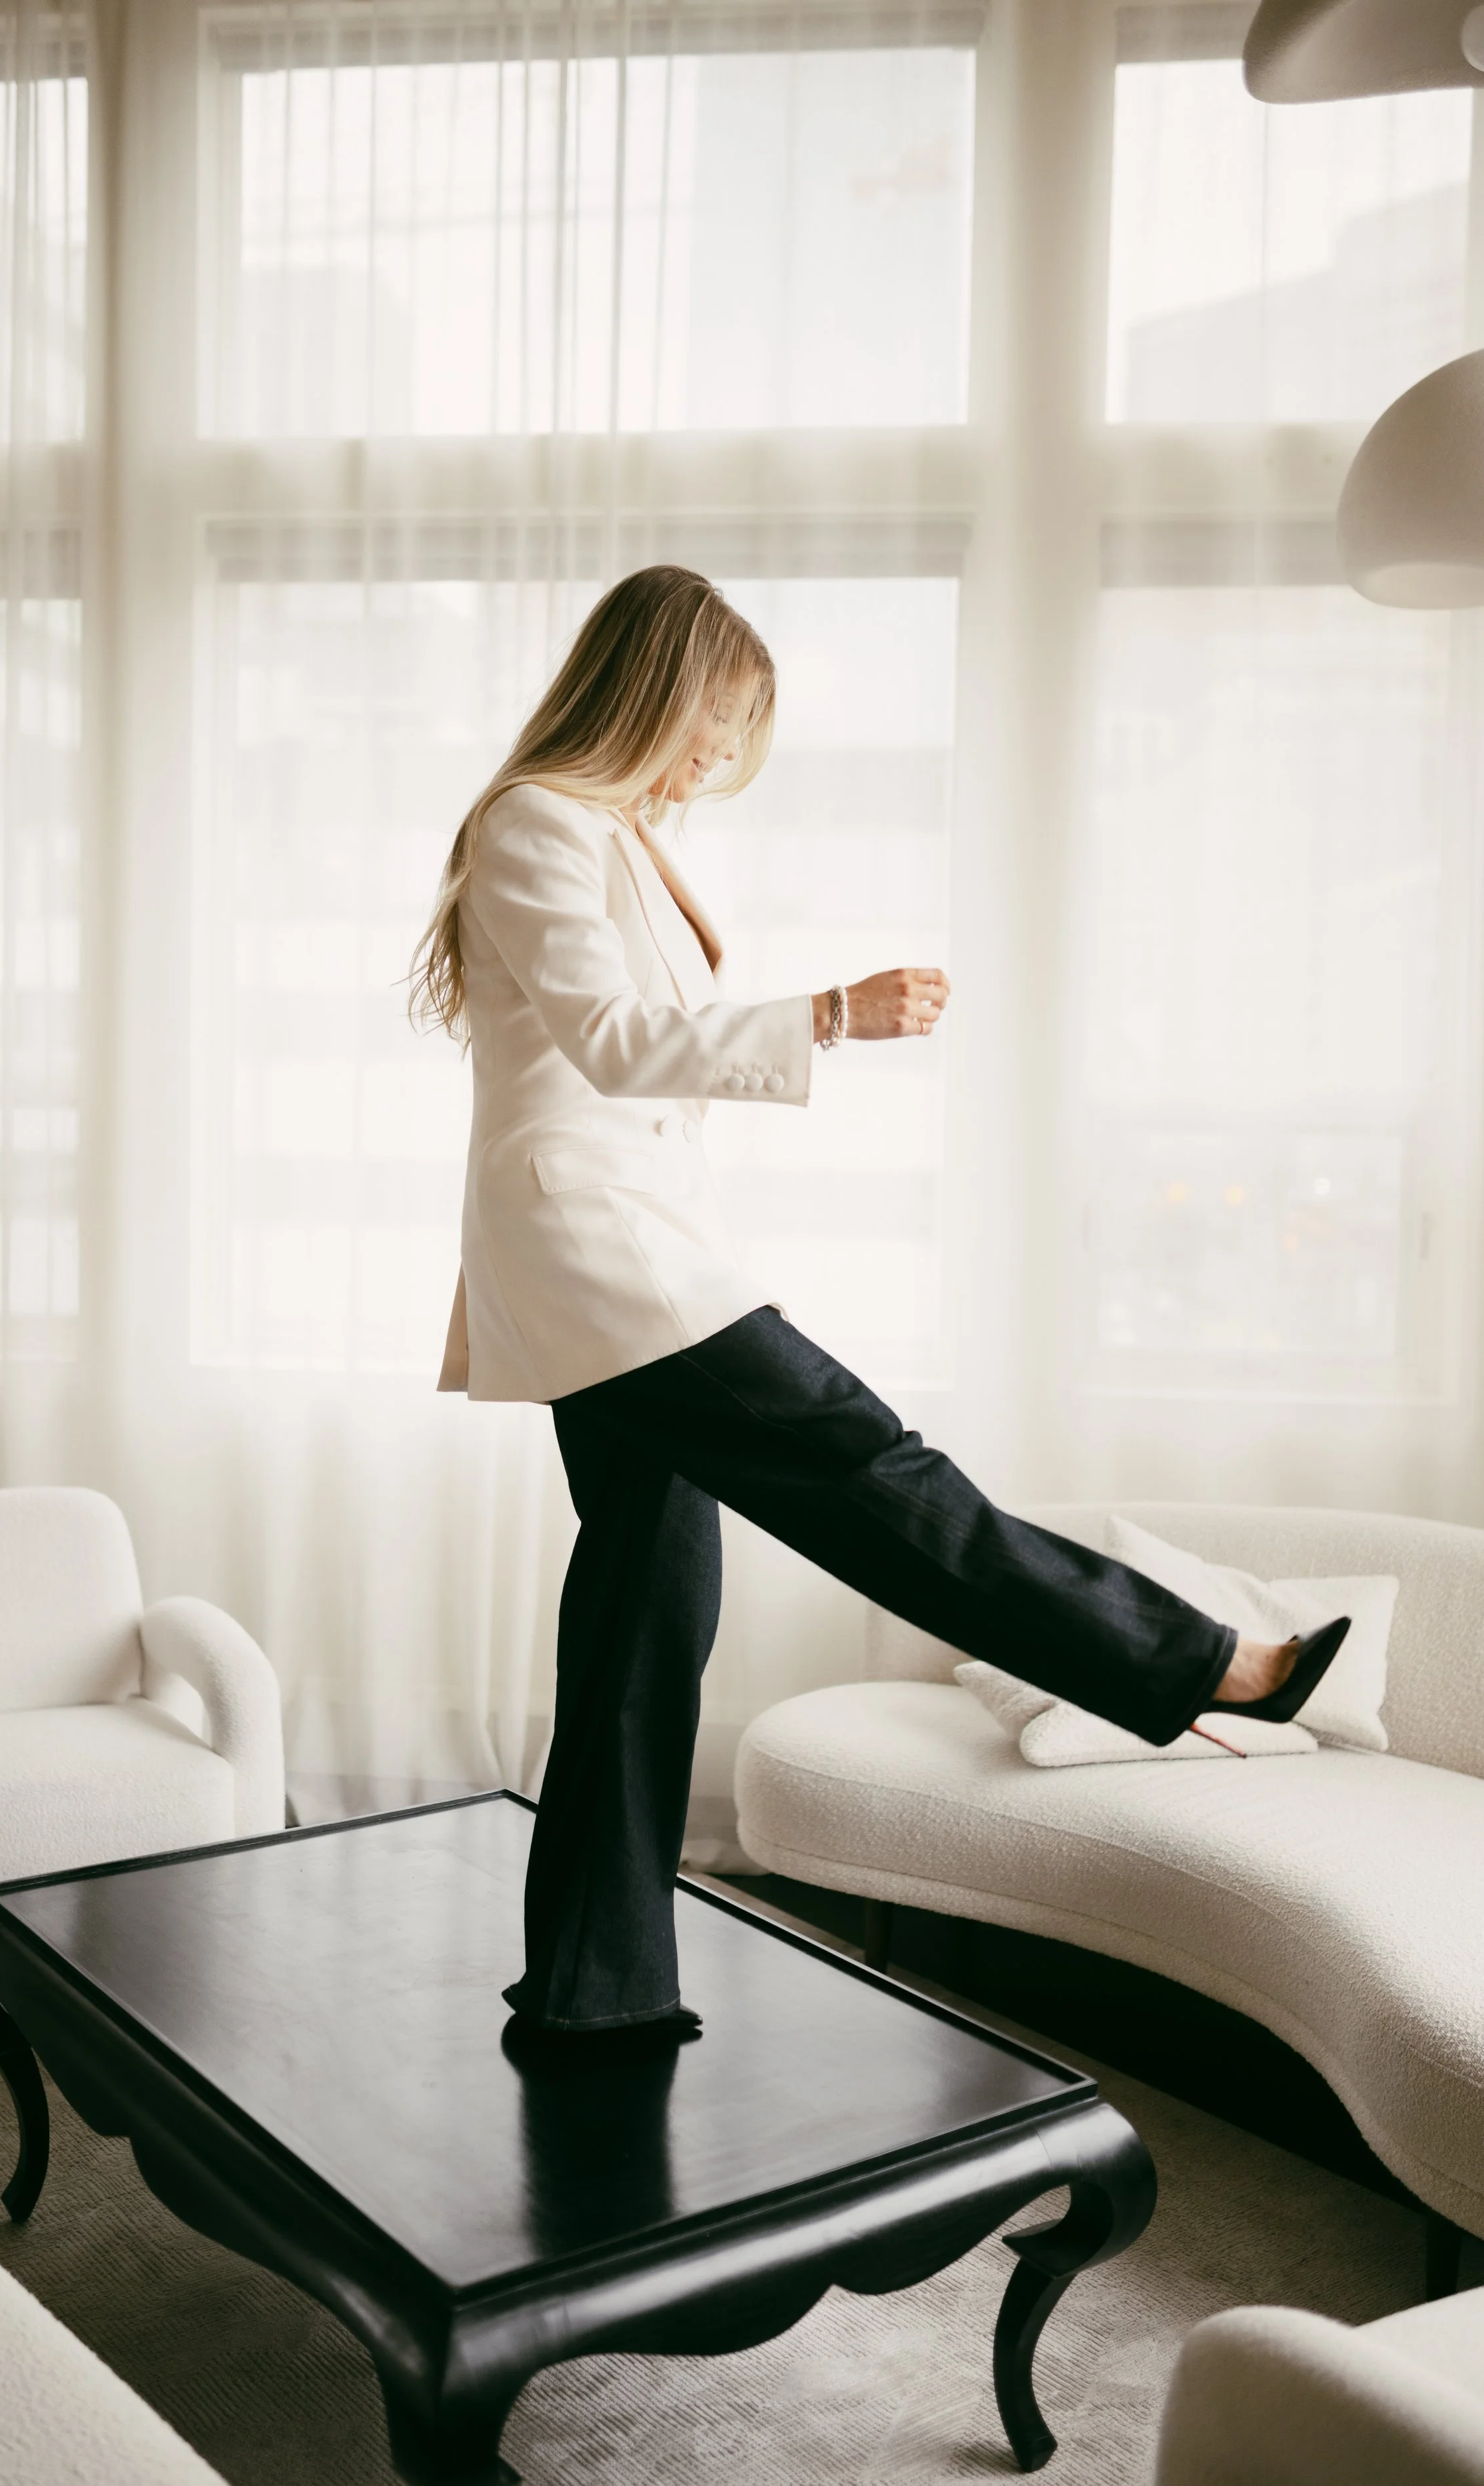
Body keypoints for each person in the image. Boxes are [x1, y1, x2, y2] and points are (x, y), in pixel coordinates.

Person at [411, 565, 1348, 2049]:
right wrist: (832, 1014)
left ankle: (597, 1988)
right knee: (873, 1474)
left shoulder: (616, 837)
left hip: (629, 1259)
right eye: (710, 728)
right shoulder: (538, 819)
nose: (714, 765)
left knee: (643, 1616)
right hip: (603, 1264)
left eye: (731, 744)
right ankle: (1191, 1662)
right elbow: (609, 1042)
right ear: (652, 691)